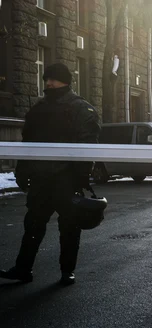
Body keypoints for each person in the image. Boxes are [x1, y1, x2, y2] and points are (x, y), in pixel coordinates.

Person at [0, 62, 101, 286]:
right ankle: (23, 269)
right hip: (41, 179)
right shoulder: (39, 109)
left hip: (66, 179)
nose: (49, 83)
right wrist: (22, 171)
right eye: (46, 79)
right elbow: (27, 143)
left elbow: (87, 145)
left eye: (53, 79)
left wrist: (81, 176)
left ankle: (67, 271)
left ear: (66, 81)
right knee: (33, 225)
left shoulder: (80, 108)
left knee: (69, 227)